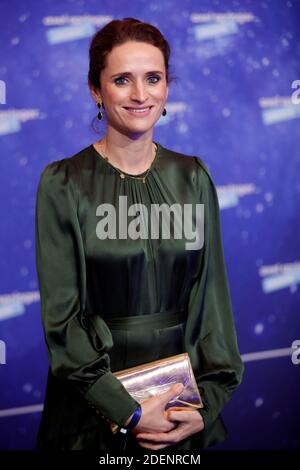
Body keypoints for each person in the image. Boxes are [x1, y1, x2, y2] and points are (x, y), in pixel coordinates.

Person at [35, 17, 244, 452]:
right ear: (96, 89)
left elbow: (211, 302)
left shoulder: (193, 177)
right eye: (122, 80)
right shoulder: (64, 183)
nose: (140, 94)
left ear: (167, 86)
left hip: (180, 409)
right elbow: (63, 320)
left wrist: (205, 404)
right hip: (92, 411)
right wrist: (125, 411)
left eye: (153, 78)